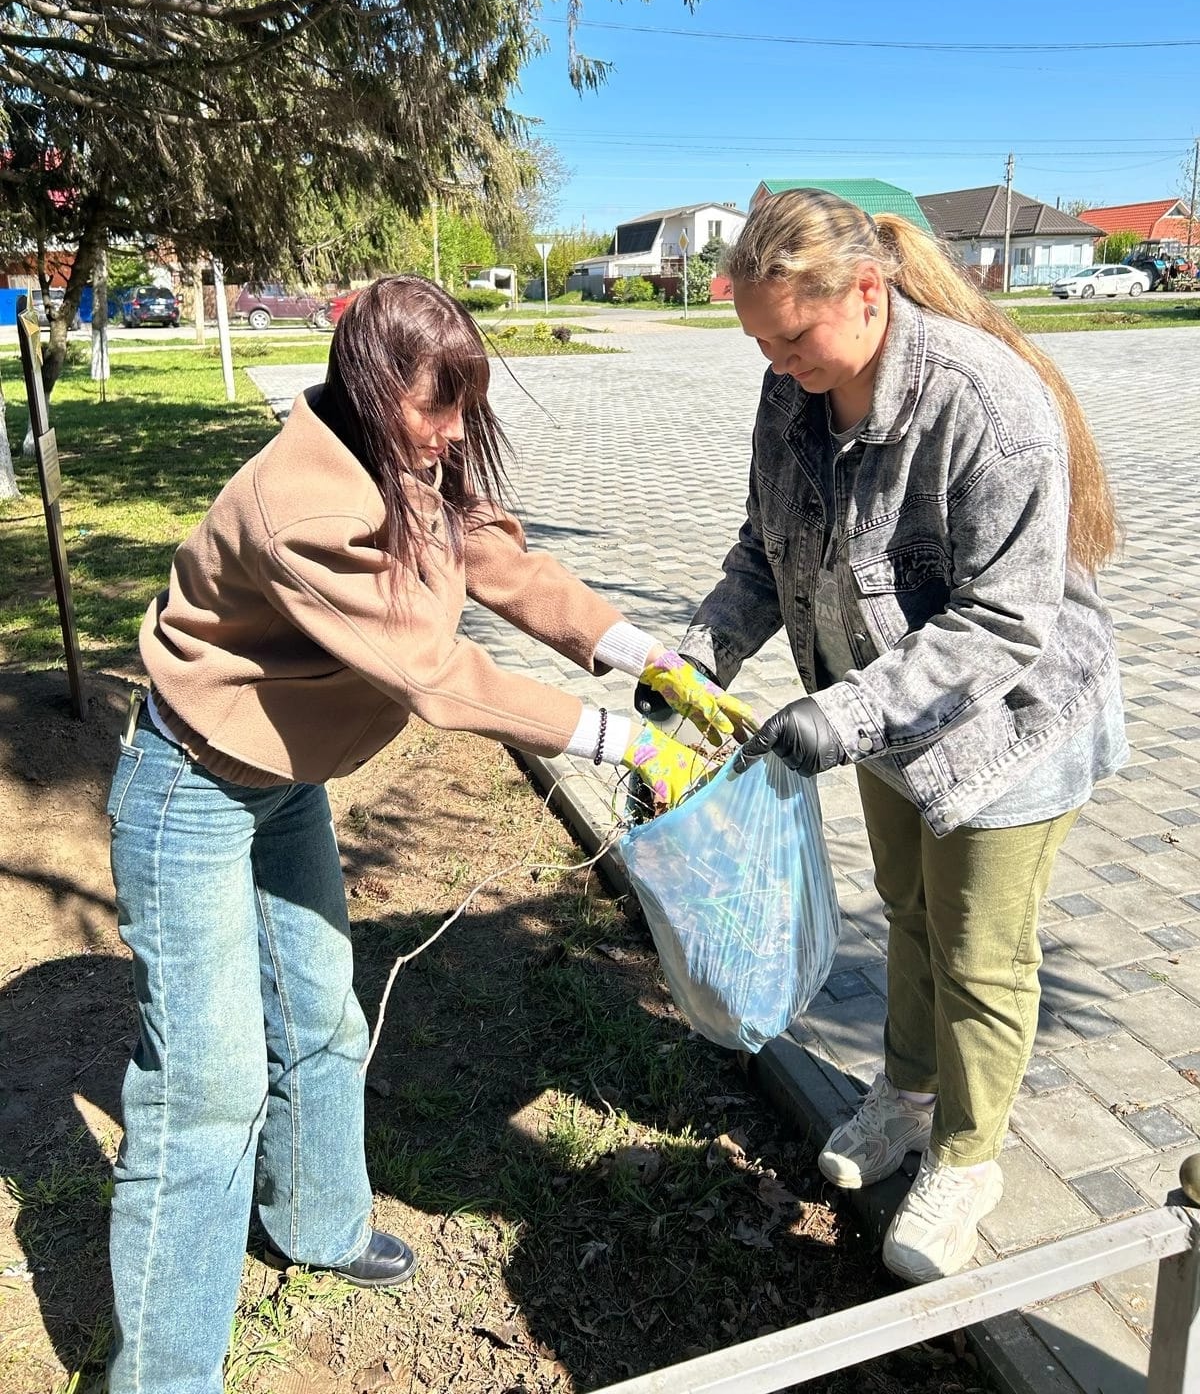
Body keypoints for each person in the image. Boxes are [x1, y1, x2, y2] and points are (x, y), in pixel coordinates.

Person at [104, 275, 754, 1394]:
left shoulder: (407, 458)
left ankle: (316, 1222)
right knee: (204, 1092)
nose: (455, 430)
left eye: (466, 405)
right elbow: (437, 675)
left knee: (319, 1013)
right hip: (192, 788)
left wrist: (648, 656)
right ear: (368, 387)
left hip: (283, 780)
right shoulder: (301, 507)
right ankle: (163, 1377)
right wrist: (625, 743)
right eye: (436, 405)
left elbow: (503, 564)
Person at [669, 189, 1126, 1284]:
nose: (779, 365)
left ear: (867, 292)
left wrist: (841, 713)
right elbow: (765, 546)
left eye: (793, 338)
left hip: (1009, 730)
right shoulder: (792, 395)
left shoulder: (987, 405)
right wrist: (699, 656)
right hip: (881, 719)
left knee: (979, 953)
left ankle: (968, 1158)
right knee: (910, 913)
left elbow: (1004, 621)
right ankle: (907, 1094)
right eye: (760, 344)